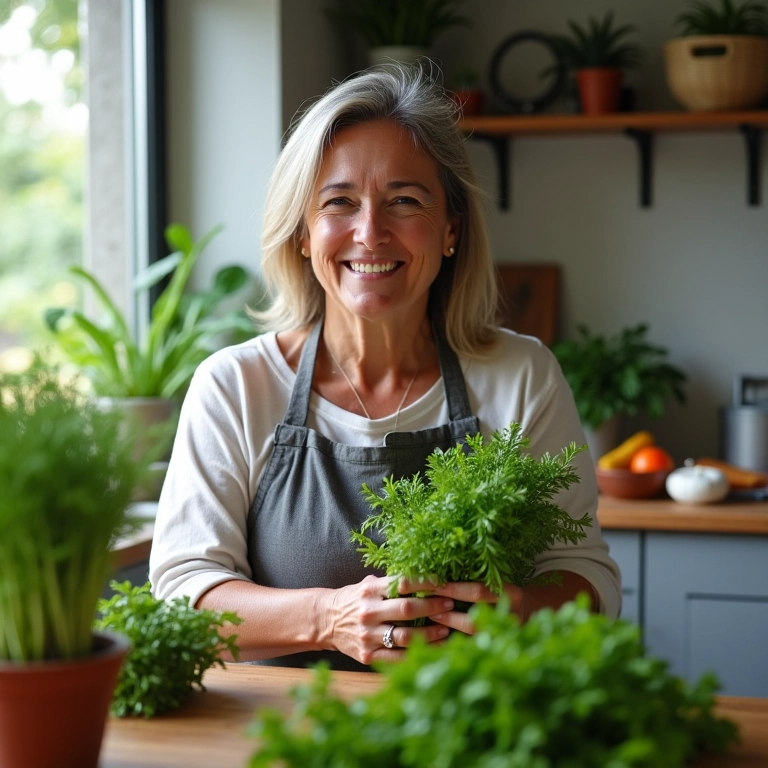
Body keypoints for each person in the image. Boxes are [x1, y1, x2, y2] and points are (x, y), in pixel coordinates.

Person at [149, 63, 621, 672]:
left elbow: (585, 577)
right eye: (339, 202)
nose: (370, 233)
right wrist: (331, 617)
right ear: (302, 233)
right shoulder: (235, 386)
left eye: (405, 201)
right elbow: (183, 596)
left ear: (451, 229)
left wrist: (516, 609)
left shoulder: (519, 375)